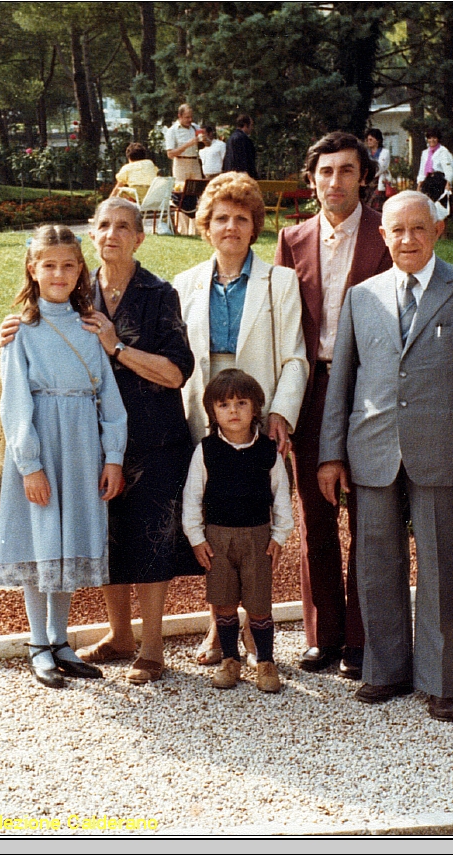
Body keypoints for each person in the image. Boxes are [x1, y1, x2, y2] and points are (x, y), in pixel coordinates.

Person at [318, 191, 453, 722]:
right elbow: (343, 382)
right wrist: (332, 453)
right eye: (397, 230)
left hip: (444, 452)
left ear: (437, 230)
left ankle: (441, 682)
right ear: (383, 235)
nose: (407, 239)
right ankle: (386, 671)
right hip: (372, 450)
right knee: (376, 564)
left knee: (444, 567)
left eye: (418, 229)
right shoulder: (361, 296)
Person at [0, 199, 199, 684]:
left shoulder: (149, 297)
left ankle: (136, 645)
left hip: (140, 435)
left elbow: (167, 374)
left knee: (138, 538)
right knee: (73, 537)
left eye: (123, 227)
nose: (112, 234)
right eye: (103, 225)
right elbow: (17, 385)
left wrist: (117, 347)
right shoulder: (63, 302)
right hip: (62, 441)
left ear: (139, 236)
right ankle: (76, 638)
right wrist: (11, 328)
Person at [173, 172, 308, 666]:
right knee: (213, 520)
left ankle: (257, 627)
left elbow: (295, 357)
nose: (231, 227)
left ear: (255, 228)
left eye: (242, 219)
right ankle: (219, 626)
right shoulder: (184, 284)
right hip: (205, 416)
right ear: (206, 226)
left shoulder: (280, 281)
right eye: (221, 218)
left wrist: (279, 414)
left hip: (257, 418)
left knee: (255, 519)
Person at [274, 132, 392, 681]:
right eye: (326, 171)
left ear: (363, 178)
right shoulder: (292, 239)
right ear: (312, 178)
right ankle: (324, 637)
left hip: (372, 391)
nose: (335, 182)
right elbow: (282, 327)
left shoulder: (385, 234)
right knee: (315, 518)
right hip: (312, 390)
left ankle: (364, 640)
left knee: (370, 518)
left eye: (347, 171)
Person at [0, 224, 127, 689]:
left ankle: (60, 638)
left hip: (82, 442)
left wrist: (113, 456)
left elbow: (109, 397)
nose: (59, 273)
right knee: (40, 536)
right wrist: (29, 464)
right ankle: (36, 641)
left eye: (68, 265)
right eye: (49, 264)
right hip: (41, 439)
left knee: (70, 534)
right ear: (33, 269)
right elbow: (14, 403)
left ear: (80, 271)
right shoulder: (22, 331)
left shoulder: (91, 326)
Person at [183, 369, 294, 692]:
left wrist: (279, 536)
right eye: (224, 405)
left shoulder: (267, 452)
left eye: (241, 403)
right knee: (224, 602)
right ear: (212, 412)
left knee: (259, 604)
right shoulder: (206, 451)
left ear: (256, 409)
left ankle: (265, 662)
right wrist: (196, 537)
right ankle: (230, 659)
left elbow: (281, 496)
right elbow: (193, 497)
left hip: (258, 538)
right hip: (217, 539)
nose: (233, 411)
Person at [164, 104, 203, 184]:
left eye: (191, 117)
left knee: (197, 190)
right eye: (187, 117)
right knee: (182, 191)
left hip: (195, 162)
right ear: (179, 116)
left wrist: (205, 140)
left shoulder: (195, 127)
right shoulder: (172, 131)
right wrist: (187, 145)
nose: (190, 120)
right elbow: (170, 154)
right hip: (181, 164)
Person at [415, 128, 453, 196]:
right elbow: (422, 170)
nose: (432, 140)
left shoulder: (443, 152)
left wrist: (448, 184)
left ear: (438, 139)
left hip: (439, 181)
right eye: (430, 138)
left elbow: (448, 170)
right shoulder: (425, 153)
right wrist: (419, 186)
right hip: (428, 181)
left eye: (434, 138)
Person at [222, 113, 258, 180]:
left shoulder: (230, 138)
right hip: (241, 177)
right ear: (245, 125)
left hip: (230, 175)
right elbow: (247, 160)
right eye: (251, 125)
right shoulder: (244, 139)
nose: (252, 128)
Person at [365, 128, 392, 210]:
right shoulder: (366, 153)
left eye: (371, 139)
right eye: (368, 140)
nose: (368, 141)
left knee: (377, 205)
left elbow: (380, 167)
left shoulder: (385, 152)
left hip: (378, 181)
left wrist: (369, 174)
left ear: (377, 140)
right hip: (367, 182)